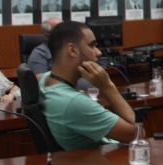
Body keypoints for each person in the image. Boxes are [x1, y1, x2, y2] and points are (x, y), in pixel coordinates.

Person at [39, 21, 137, 149]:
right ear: (72, 50)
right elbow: (137, 135)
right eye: (92, 46)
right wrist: (108, 86)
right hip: (104, 162)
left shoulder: (46, 79)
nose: (98, 52)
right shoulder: (73, 102)